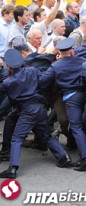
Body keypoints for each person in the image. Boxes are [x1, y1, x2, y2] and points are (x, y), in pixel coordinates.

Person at [0, 49, 71, 178]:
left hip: (27, 111)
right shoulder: (31, 71)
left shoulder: (7, 82)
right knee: (46, 136)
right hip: (39, 108)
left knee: (17, 138)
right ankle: (63, 156)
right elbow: (42, 80)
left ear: (8, 66)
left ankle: (12, 168)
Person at [39, 38, 86, 171]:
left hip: (70, 97)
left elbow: (43, 82)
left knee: (76, 127)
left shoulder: (56, 66)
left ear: (59, 52)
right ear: (71, 51)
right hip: (84, 95)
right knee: (85, 124)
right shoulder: (82, 61)